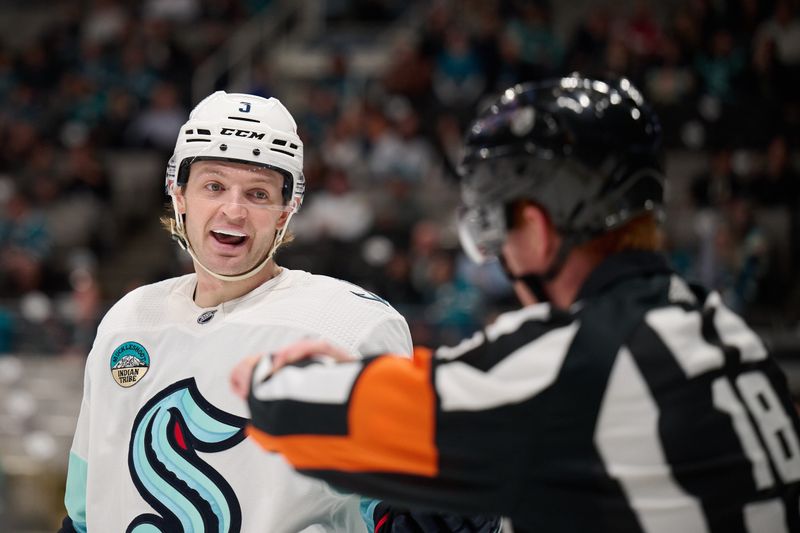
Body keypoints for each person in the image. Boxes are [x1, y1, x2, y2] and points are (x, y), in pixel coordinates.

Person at [233, 76, 800, 532]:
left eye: (497, 223)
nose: (499, 251)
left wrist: (271, 374)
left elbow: (306, 414)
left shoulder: (576, 357)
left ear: (535, 226)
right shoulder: (723, 331)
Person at [59, 91, 498, 533]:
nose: (234, 209)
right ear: (179, 193)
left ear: (287, 209)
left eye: (258, 193)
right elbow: (85, 511)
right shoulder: (127, 320)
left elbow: (409, 512)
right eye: (214, 186)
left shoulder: (350, 327)